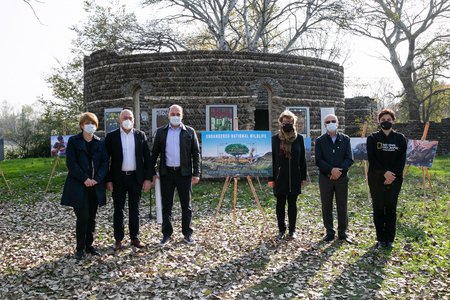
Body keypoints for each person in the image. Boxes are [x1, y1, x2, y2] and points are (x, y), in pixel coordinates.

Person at [150, 104, 201, 246]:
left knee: (186, 205)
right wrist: (152, 173)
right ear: (168, 115)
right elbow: (154, 154)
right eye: (173, 114)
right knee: (167, 206)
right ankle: (166, 234)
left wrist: (196, 173)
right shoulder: (161, 132)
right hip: (166, 174)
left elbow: (196, 154)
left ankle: (187, 233)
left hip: (184, 174)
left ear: (182, 115)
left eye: (178, 114)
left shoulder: (190, 132)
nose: (175, 116)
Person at [61, 112, 109, 260]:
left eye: (93, 124)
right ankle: (80, 248)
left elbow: (104, 163)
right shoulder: (74, 142)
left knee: (92, 218)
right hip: (79, 186)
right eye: (88, 123)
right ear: (82, 125)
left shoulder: (100, 142)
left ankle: (89, 245)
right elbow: (71, 164)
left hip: (95, 186)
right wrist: (85, 178)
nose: (91, 126)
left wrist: (97, 179)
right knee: (83, 217)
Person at [104, 109, 152, 251]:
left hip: (135, 178)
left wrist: (148, 178)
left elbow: (147, 159)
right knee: (118, 209)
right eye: (124, 117)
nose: (127, 119)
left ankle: (134, 238)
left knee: (135, 209)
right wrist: (108, 180)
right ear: (119, 120)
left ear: (134, 120)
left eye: (130, 117)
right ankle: (118, 239)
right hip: (118, 178)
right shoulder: (111, 137)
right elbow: (105, 160)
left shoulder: (140, 135)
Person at [366, 109, 407, 249]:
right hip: (376, 178)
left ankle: (390, 239)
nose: (386, 122)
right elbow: (372, 159)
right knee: (378, 208)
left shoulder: (400, 138)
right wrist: (384, 173)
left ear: (393, 121)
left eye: (388, 119)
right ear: (379, 122)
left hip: (395, 179)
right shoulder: (372, 138)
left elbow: (401, 160)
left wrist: (391, 175)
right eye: (383, 120)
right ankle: (380, 238)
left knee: (390, 208)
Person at [268, 110, 308, 241]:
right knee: (280, 204)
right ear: (280, 123)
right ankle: (281, 230)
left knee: (292, 204)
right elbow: (271, 160)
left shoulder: (299, 139)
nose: (287, 124)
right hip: (280, 177)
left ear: (294, 123)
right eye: (285, 122)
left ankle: (292, 230)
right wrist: (271, 178)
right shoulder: (274, 139)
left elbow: (302, 159)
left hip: (295, 177)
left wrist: (303, 176)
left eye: (290, 122)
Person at [315, 114, 354, 243]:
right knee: (327, 206)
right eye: (328, 121)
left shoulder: (345, 139)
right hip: (325, 178)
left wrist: (338, 171)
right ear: (324, 125)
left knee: (342, 205)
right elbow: (318, 160)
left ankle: (342, 232)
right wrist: (331, 171)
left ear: (337, 123)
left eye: (333, 121)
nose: (330, 123)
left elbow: (349, 158)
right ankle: (329, 232)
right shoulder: (320, 141)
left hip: (342, 178)